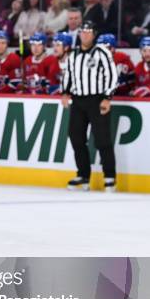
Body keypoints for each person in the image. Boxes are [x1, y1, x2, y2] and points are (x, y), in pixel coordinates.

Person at [61, 21, 118, 192]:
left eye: (88, 32)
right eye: (82, 32)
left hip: (97, 100)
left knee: (102, 140)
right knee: (76, 137)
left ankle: (109, 177)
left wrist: (107, 97)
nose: (85, 35)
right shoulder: (73, 54)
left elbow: (112, 75)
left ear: (94, 34)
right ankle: (83, 175)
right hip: (78, 101)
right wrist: (65, 92)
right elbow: (68, 75)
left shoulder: (102, 53)